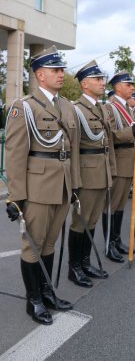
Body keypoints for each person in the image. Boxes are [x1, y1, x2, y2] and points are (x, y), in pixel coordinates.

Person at [5, 45, 80, 325]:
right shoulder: (23, 107)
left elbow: (71, 150)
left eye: (62, 70)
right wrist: (15, 198)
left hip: (61, 184)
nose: (61, 74)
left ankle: (47, 292)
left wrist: (74, 185)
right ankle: (33, 299)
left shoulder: (67, 106)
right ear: (40, 75)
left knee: (49, 243)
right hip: (37, 187)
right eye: (55, 70)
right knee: (33, 246)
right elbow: (14, 155)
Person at [67, 61, 116, 288]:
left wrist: (111, 171)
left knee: (92, 220)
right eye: (97, 79)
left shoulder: (100, 108)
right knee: (80, 223)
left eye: (102, 79)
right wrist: (74, 182)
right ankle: (74, 267)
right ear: (85, 84)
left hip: (101, 173)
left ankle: (85, 263)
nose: (102, 82)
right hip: (86, 175)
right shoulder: (76, 109)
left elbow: (107, 144)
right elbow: (74, 148)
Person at [104, 71, 135, 262]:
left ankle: (117, 240)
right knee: (113, 205)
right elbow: (113, 134)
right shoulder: (111, 108)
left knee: (120, 206)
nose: (132, 88)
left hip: (128, 161)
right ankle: (109, 244)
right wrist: (132, 130)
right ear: (118, 87)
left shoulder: (127, 108)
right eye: (128, 85)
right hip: (119, 159)